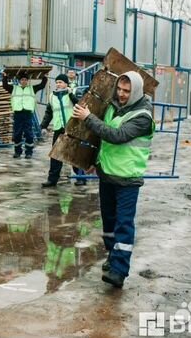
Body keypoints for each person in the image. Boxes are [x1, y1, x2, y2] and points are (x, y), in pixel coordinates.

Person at [72, 71, 154, 289]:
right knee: (108, 221)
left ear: (136, 91)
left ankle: (119, 271)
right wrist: (94, 160)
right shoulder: (113, 107)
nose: (121, 94)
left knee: (123, 224)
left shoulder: (143, 117)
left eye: (126, 91)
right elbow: (102, 139)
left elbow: (116, 136)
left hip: (128, 179)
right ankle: (111, 255)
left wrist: (88, 118)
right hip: (107, 174)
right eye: (119, 89)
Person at [40, 73, 84, 187]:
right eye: (57, 82)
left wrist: (71, 95)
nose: (58, 84)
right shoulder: (52, 96)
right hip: (58, 129)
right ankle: (52, 179)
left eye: (61, 82)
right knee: (55, 155)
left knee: (74, 154)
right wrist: (43, 126)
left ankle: (81, 177)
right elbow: (49, 113)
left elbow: (79, 105)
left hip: (70, 129)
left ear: (66, 84)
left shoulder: (72, 94)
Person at [1, 71, 47, 159]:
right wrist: (5, 77)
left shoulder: (32, 88)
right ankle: (17, 152)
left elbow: (42, 85)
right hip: (18, 114)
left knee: (28, 133)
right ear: (19, 81)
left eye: (25, 80)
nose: (24, 81)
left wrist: (45, 77)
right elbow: (5, 86)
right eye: (22, 80)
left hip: (28, 114)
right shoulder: (14, 88)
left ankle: (29, 152)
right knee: (17, 133)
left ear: (28, 81)